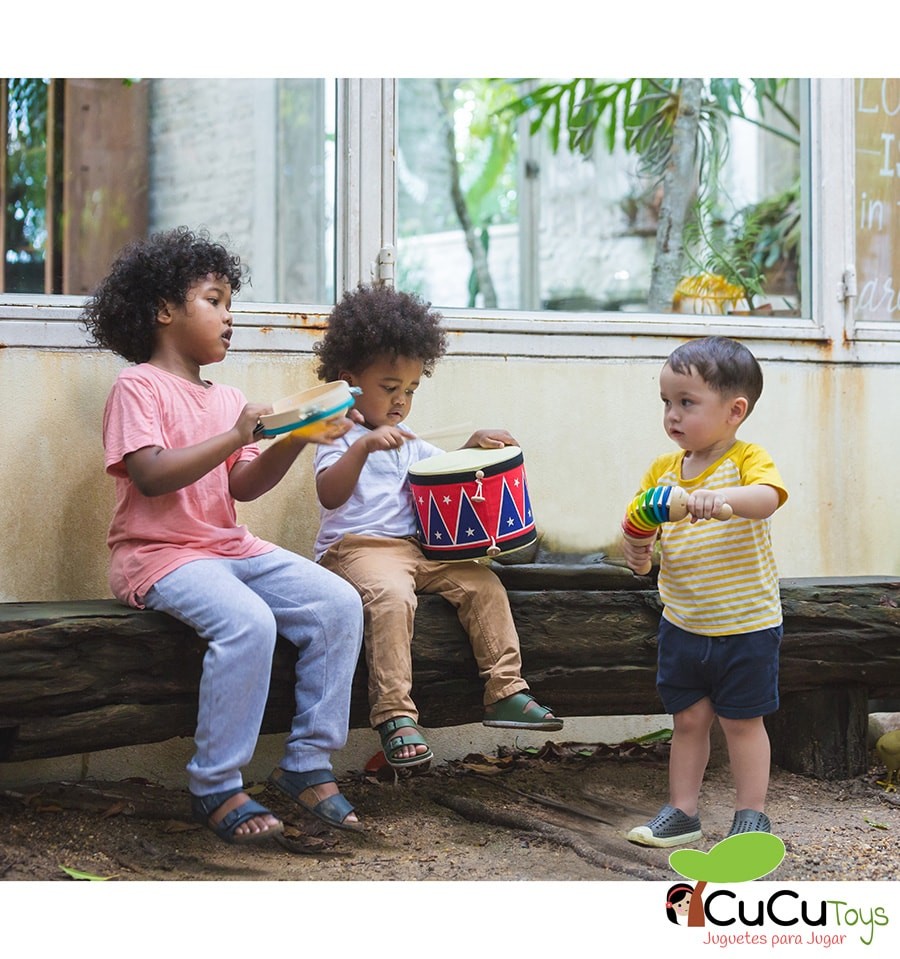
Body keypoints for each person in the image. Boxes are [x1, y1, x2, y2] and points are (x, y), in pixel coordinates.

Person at [82, 227, 365, 845]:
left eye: (231, 303)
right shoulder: (138, 386)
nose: (230, 316)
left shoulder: (228, 398)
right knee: (249, 622)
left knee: (339, 603)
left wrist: (295, 436)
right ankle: (215, 783)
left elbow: (243, 487)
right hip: (158, 556)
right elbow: (151, 475)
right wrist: (238, 434)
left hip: (229, 547)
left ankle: (307, 762)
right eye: (214, 301)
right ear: (164, 310)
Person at [310, 284, 562, 769]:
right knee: (391, 598)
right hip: (357, 550)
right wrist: (363, 447)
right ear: (349, 382)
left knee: (484, 585)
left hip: (416, 549)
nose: (401, 401)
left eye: (410, 390)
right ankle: (394, 715)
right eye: (390, 388)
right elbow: (329, 494)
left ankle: (506, 691)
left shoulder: (408, 439)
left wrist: (473, 445)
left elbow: (444, 472)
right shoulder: (337, 434)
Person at [622, 335, 788, 847]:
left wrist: (719, 499)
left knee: (742, 723)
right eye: (666, 402)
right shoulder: (663, 471)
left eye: (686, 402)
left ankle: (751, 816)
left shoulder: (746, 460)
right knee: (689, 719)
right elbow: (641, 519)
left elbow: (768, 498)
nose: (672, 415)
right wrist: (637, 548)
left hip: (747, 625)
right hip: (683, 623)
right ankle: (682, 811)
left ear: (734, 411)